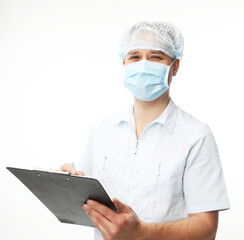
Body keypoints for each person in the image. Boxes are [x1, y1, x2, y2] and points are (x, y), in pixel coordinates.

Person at [60, 21, 230, 240]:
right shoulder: (102, 130)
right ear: (124, 63)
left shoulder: (196, 136)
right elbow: (85, 200)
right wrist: (67, 181)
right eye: (135, 57)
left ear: (175, 66)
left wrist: (142, 233)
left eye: (156, 57)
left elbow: (207, 228)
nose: (143, 65)